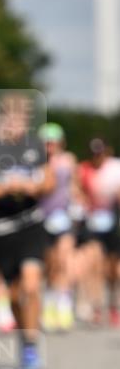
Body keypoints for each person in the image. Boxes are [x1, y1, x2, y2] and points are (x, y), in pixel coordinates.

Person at [0, 94, 55, 369]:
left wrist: (33, 187)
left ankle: (32, 344)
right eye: (11, 118)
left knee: (31, 286)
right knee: (11, 295)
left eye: (21, 119)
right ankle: (24, 336)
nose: (15, 124)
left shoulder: (34, 146)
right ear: (2, 119)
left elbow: (50, 181)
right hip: (3, 229)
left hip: (31, 225)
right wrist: (6, 188)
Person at [37, 123, 77, 332]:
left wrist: (78, 205)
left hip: (63, 218)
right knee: (50, 264)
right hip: (43, 218)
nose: (49, 146)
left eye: (52, 143)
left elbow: (75, 185)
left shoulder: (68, 160)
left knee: (64, 261)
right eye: (46, 143)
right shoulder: (37, 162)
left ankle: (64, 304)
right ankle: (50, 302)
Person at [76, 139, 120, 327]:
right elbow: (78, 192)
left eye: (100, 153)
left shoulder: (115, 169)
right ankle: (96, 307)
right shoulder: (84, 170)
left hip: (113, 224)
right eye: (94, 153)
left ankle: (113, 305)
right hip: (93, 225)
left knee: (113, 270)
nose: (97, 157)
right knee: (95, 267)